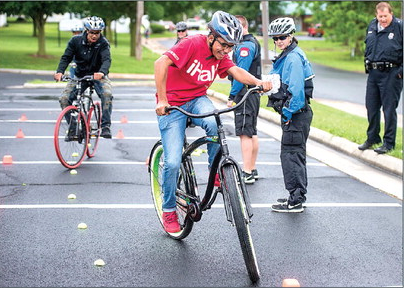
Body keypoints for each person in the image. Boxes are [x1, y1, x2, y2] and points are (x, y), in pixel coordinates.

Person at [154, 11, 273, 233]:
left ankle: (215, 172)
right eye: (224, 45)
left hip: (197, 99)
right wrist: (162, 99)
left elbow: (235, 70)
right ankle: (169, 209)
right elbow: (161, 63)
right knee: (172, 162)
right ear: (211, 36)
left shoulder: (222, 56)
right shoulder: (191, 44)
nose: (226, 51)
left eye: (231, 47)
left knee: (215, 123)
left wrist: (258, 82)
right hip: (172, 105)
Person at [266, 17, 314, 213]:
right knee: (296, 155)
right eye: (275, 38)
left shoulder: (293, 58)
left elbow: (296, 94)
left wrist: (286, 113)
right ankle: (297, 196)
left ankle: (295, 200)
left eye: (282, 37)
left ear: (291, 35)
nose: (278, 41)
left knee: (291, 156)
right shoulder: (290, 53)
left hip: (295, 115)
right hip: (298, 115)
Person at [54, 16, 113, 139]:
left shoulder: (103, 43)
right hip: (80, 75)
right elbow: (66, 57)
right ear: (86, 30)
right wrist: (60, 71)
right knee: (64, 98)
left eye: (97, 33)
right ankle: (73, 126)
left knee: (107, 95)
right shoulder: (75, 41)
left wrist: (102, 72)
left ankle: (106, 126)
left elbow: (106, 60)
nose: (94, 36)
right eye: (92, 32)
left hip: (98, 76)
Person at [358, 2, 403, 154]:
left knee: (389, 109)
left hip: (392, 73)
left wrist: (401, 71)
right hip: (373, 72)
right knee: (371, 106)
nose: (382, 19)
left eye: (385, 16)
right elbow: (368, 45)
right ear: (376, 15)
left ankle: (388, 143)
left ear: (391, 14)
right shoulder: (372, 25)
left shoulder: (399, 26)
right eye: (380, 16)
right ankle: (372, 138)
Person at [227, 15, 261, 184]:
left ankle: (247, 171)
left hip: (245, 94)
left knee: (245, 134)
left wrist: (232, 96)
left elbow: (241, 74)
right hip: (253, 93)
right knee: (251, 132)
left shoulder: (245, 47)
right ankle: (252, 168)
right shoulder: (252, 41)